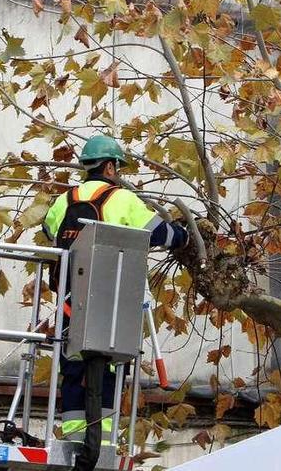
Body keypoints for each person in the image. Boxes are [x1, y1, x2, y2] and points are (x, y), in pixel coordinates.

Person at [42, 134, 189, 471]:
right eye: (117, 166)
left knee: (74, 371)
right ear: (110, 166)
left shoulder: (64, 200)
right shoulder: (121, 199)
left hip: (70, 305)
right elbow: (160, 234)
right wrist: (182, 236)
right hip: (108, 305)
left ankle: (77, 442)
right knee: (107, 373)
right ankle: (102, 445)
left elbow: (49, 230)